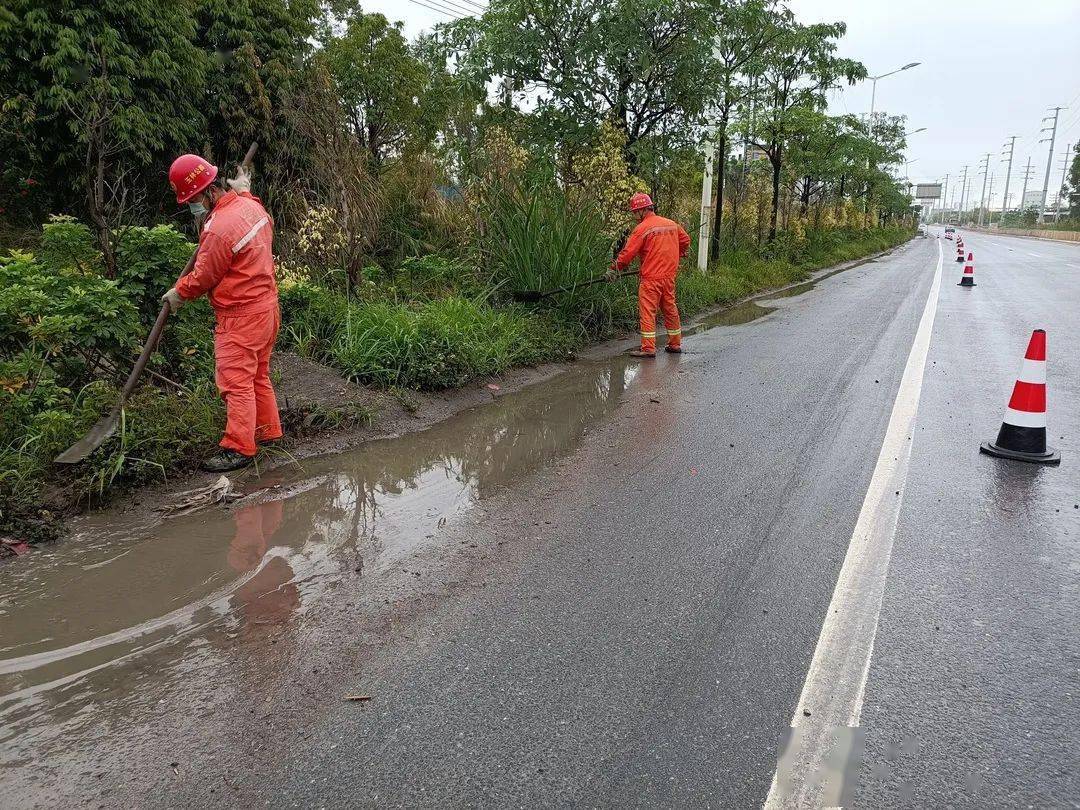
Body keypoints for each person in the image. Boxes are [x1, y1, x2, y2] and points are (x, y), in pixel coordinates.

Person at [162, 154, 282, 472]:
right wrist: (243, 191)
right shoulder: (251, 206)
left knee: (235, 381)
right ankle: (267, 432)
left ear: (206, 192)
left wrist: (179, 292)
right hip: (267, 309)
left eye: (192, 200)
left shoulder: (217, 230)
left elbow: (204, 277)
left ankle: (239, 448)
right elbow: (247, 205)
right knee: (258, 375)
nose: (193, 207)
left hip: (240, 317)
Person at [609, 192, 690, 358]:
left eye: (634, 212)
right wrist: (679, 253)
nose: (634, 216)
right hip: (669, 277)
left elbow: (628, 253)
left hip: (651, 279)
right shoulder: (671, 224)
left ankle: (648, 348)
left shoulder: (642, 228)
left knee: (648, 312)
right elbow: (685, 240)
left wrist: (614, 268)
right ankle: (675, 344)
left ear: (642, 210)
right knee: (670, 309)